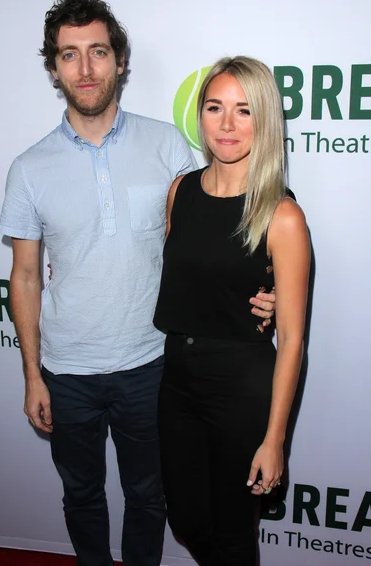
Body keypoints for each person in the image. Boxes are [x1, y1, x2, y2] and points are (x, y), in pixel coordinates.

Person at [0, 0, 276, 566]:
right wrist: (32, 374)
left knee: (150, 498)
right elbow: (25, 277)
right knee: (82, 495)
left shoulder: (168, 145)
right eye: (70, 55)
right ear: (54, 67)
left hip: (153, 365)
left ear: (120, 60)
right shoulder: (29, 168)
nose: (86, 68)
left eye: (98, 51)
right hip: (67, 370)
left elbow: (218, 228)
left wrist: (266, 287)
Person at [154, 56, 310, 566]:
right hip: (177, 377)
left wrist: (274, 439)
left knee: (235, 533)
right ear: (199, 116)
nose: (226, 124)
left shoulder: (281, 215)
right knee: (184, 519)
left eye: (244, 111)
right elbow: (190, 275)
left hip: (241, 386)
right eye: (215, 107)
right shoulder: (180, 192)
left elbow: (291, 340)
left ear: (263, 121)